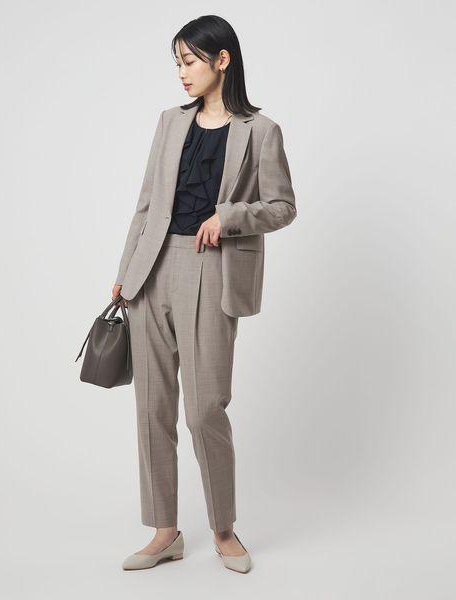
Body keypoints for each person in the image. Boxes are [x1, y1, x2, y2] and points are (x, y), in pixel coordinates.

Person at [112, 15, 297, 573]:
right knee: (152, 407)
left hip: (212, 269)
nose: (182, 72)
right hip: (153, 268)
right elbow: (146, 203)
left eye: (190, 61)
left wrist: (230, 216)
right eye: (177, 62)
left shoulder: (260, 131)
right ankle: (164, 531)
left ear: (222, 60)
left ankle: (223, 528)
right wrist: (125, 271)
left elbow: (283, 207)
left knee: (204, 410)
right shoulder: (170, 122)